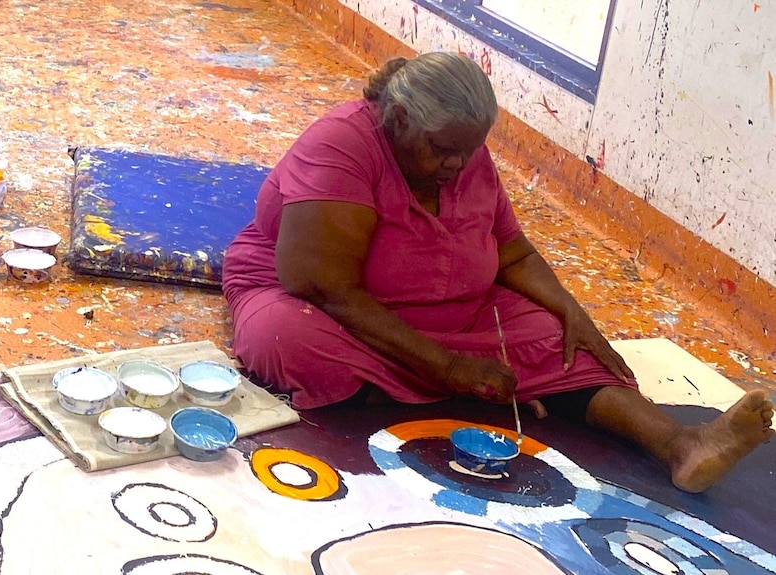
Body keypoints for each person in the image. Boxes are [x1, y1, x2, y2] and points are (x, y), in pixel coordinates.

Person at [222, 51, 773, 493]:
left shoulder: (460, 150)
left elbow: (514, 253)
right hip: (333, 310)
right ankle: (441, 391)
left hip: (451, 316)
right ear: (399, 120)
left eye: (469, 151)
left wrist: (573, 313)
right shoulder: (340, 146)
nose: (457, 165)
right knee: (286, 336)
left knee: (562, 341)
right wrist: (447, 366)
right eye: (443, 151)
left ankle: (680, 445)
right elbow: (322, 286)